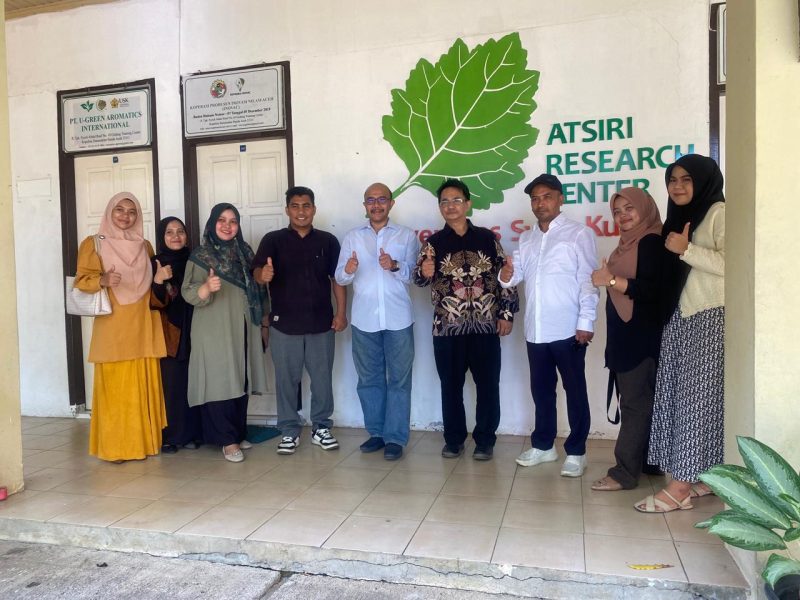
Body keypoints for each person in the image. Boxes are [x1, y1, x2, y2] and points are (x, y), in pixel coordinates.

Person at [635, 154, 725, 513]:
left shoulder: (718, 212)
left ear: (703, 181)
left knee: (694, 405)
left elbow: (734, 264)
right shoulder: (681, 218)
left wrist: (685, 249)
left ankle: (679, 487)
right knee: (681, 400)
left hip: (708, 318)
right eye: (672, 180)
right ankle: (706, 476)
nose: (678, 186)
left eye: (687, 179)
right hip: (681, 318)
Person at [500, 174, 598, 477]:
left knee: (575, 390)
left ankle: (577, 451)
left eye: (546, 196)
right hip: (536, 329)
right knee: (541, 390)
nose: (540, 203)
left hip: (568, 328)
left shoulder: (579, 234)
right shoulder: (527, 238)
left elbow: (588, 282)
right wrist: (506, 273)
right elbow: (513, 279)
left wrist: (586, 322)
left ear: (560, 199)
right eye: (535, 198)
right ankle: (544, 446)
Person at [413, 178, 518, 461]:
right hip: (447, 329)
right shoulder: (432, 243)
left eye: (456, 200)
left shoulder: (487, 239)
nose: (450, 206)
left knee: (487, 386)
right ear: (440, 207)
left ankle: (485, 440)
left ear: (468, 204)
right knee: (451, 387)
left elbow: (507, 277)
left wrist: (506, 314)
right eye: (444, 201)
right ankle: (454, 439)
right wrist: (424, 271)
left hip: (485, 326)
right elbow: (418, 280)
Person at [253, 186, 347, 455]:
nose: (301, 211)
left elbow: (337, 279)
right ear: (287, 210)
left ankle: (321, 427)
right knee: (286, 380)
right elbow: (258, 273)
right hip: (283, 325)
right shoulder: (273, 240)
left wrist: (341, 313)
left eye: (306, 206)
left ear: (314, 209)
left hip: (321, 324)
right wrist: (264, 275)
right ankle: (289, 430)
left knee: (321, 379)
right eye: (295, 206)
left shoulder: (328, 241)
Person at [74, 192, 166, 462]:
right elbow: (81, 280)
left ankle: (144, 444)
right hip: (113, 325)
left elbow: (150, 284)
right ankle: (116, 448)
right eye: (119, 210)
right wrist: (102, 279)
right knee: (115, 388)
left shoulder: (145, 245)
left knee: (142, 385)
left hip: (142, 323)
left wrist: (160, 279)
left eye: (132, 211)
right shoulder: (94, 244)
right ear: (109, 213)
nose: (126, 216)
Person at [335, 183, 419, 461]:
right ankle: (376, 433)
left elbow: (414, 276)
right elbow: (340, 278)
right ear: (365, 205)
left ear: (391, 204)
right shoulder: (352, 238)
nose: (376, 204)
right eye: (370, 200)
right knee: (369, 380)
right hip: (364, 319)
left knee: (399, 380)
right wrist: (348, 270)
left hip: (398, 319)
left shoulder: (406, 236)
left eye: (382, 199)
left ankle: (395, 438)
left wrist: (394, 266)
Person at [182, 203, 269, 463]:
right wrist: (207, 287)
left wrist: (264, 323)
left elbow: (259, 290)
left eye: (233, 221)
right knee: (220, 380)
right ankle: (227, 440)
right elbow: (188, 292)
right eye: (222, 220)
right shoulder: (201, 256)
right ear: (212, 223)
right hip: (213, 329)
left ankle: (237, 432)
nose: (228, 225)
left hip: (244, 326)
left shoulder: (245, 252)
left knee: (240, 379)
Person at [589, 188, 664, 491]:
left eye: (629, 208)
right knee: (641, 400)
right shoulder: (626, 245)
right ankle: (648, 462)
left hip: (640, 336)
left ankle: (623, 472)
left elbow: (651, 291)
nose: (622, 216)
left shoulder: (651, 242)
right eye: (617, 211)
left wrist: (608, 280)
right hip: (625, 334)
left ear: (645, 209)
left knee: (635, 403)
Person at [151, 217, 202, 454]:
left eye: (180, 231)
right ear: (162, 236)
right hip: (170, 332)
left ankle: (193, 433)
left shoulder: (196, 260)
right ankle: (170, 436)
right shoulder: (155, 263)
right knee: (172, 385)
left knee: (195, 383)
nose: (175, 237)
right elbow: (151, 302)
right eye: (169, 232)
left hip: (198, 328)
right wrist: (159, 281)